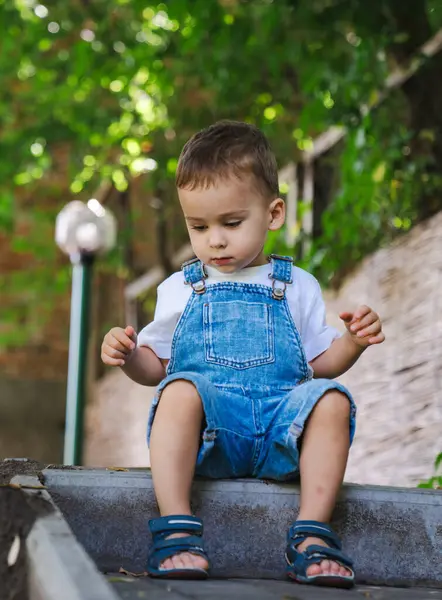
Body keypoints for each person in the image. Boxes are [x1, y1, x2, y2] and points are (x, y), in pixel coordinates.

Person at [101, 120, 385, 588]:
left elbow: (318, 365)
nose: (215, 239)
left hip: (281, 431)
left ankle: (312, 534)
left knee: (331, 397)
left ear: (273, 213)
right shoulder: (180, 288)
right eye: (199, 226)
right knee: (179, 390)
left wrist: (352, 342)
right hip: (213, 435)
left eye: (231, 223)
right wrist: (130, 355)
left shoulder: (296, 285)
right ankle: (176, 529)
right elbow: (157, 369)